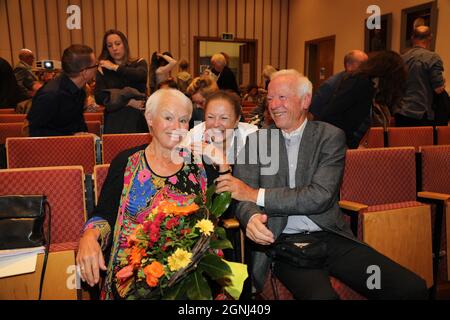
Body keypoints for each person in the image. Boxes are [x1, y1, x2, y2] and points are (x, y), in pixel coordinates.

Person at [215, 69, 428, 300]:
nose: (274, 105)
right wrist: (252, 218)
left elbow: (320, 196)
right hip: (285, 245)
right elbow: (241, 195)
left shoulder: (330, 137)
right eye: (269, 99)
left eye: (282, 97)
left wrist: (256, 195)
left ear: (305, 100)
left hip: (332, 239)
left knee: (408, 288)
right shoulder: (257, 141)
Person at [76, 88, 208, 300]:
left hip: (186, 275)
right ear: (149, 118)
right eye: (168, 117)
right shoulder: (127, 162)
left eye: (183, 120)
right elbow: (105, 214)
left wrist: (224, 167)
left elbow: (211, 219)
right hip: (131, 277)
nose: (177, 127)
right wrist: (89, 236)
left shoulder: (199, 166)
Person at [185, 91, 258, 262]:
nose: (216, 124)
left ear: (237, 119)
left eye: (224, 118)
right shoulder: (193, 138)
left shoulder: (251, 138)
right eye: (210, 117)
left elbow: (246, 193)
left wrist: (222, 162)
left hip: (241, 215)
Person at [317, 51, 406, 149]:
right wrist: (350, 145)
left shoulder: (371, 85)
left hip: (348, 142)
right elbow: (331, 115)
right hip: (338, 143)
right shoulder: (360, 83)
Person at [27, 45, 96, 136]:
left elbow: (77, 122)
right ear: (85, 72)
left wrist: (85, 136)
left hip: (73, 145)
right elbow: (35, 131)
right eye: (95, 65)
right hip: (51, 147)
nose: (96, 68)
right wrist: (70, 137)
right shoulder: (51, 95)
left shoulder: (80, 89)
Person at [95, 29, 149, 134]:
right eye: (109, 46)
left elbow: (141, 76)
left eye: (118, 44)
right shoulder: (103, 69)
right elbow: (99, 97)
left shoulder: (139, 62)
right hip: (114, 120)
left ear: (124, 44)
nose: (114, 48)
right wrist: (128, 102)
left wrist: (115, 67)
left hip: (138, 118)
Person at [394, 26, 446, 127]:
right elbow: (438, 89)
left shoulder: (401, 58)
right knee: (421, 143)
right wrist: (443, 82)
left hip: (401, 111)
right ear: (430, 38)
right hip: (421, 113)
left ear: (412, 38)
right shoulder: (432, 58)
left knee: (402, 143)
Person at [309, 50, 368, 119]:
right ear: (348, 65)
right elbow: (313, 112)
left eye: (367, 63)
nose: (366, 67)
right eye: (362, 64)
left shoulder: (362, 84)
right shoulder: (330, 85)